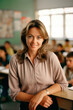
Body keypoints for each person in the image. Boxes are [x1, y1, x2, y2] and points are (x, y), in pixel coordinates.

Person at [9, 19, 68, 110]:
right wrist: (36, 99)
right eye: (30, 36)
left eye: (39, 37)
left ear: (44, 39)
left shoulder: (51, 57)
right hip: (27, 106)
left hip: (49, 104)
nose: (34, 41)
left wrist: (43, 93)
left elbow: (62, 83)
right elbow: (14, 93)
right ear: (25, 37)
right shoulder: (15, 60)